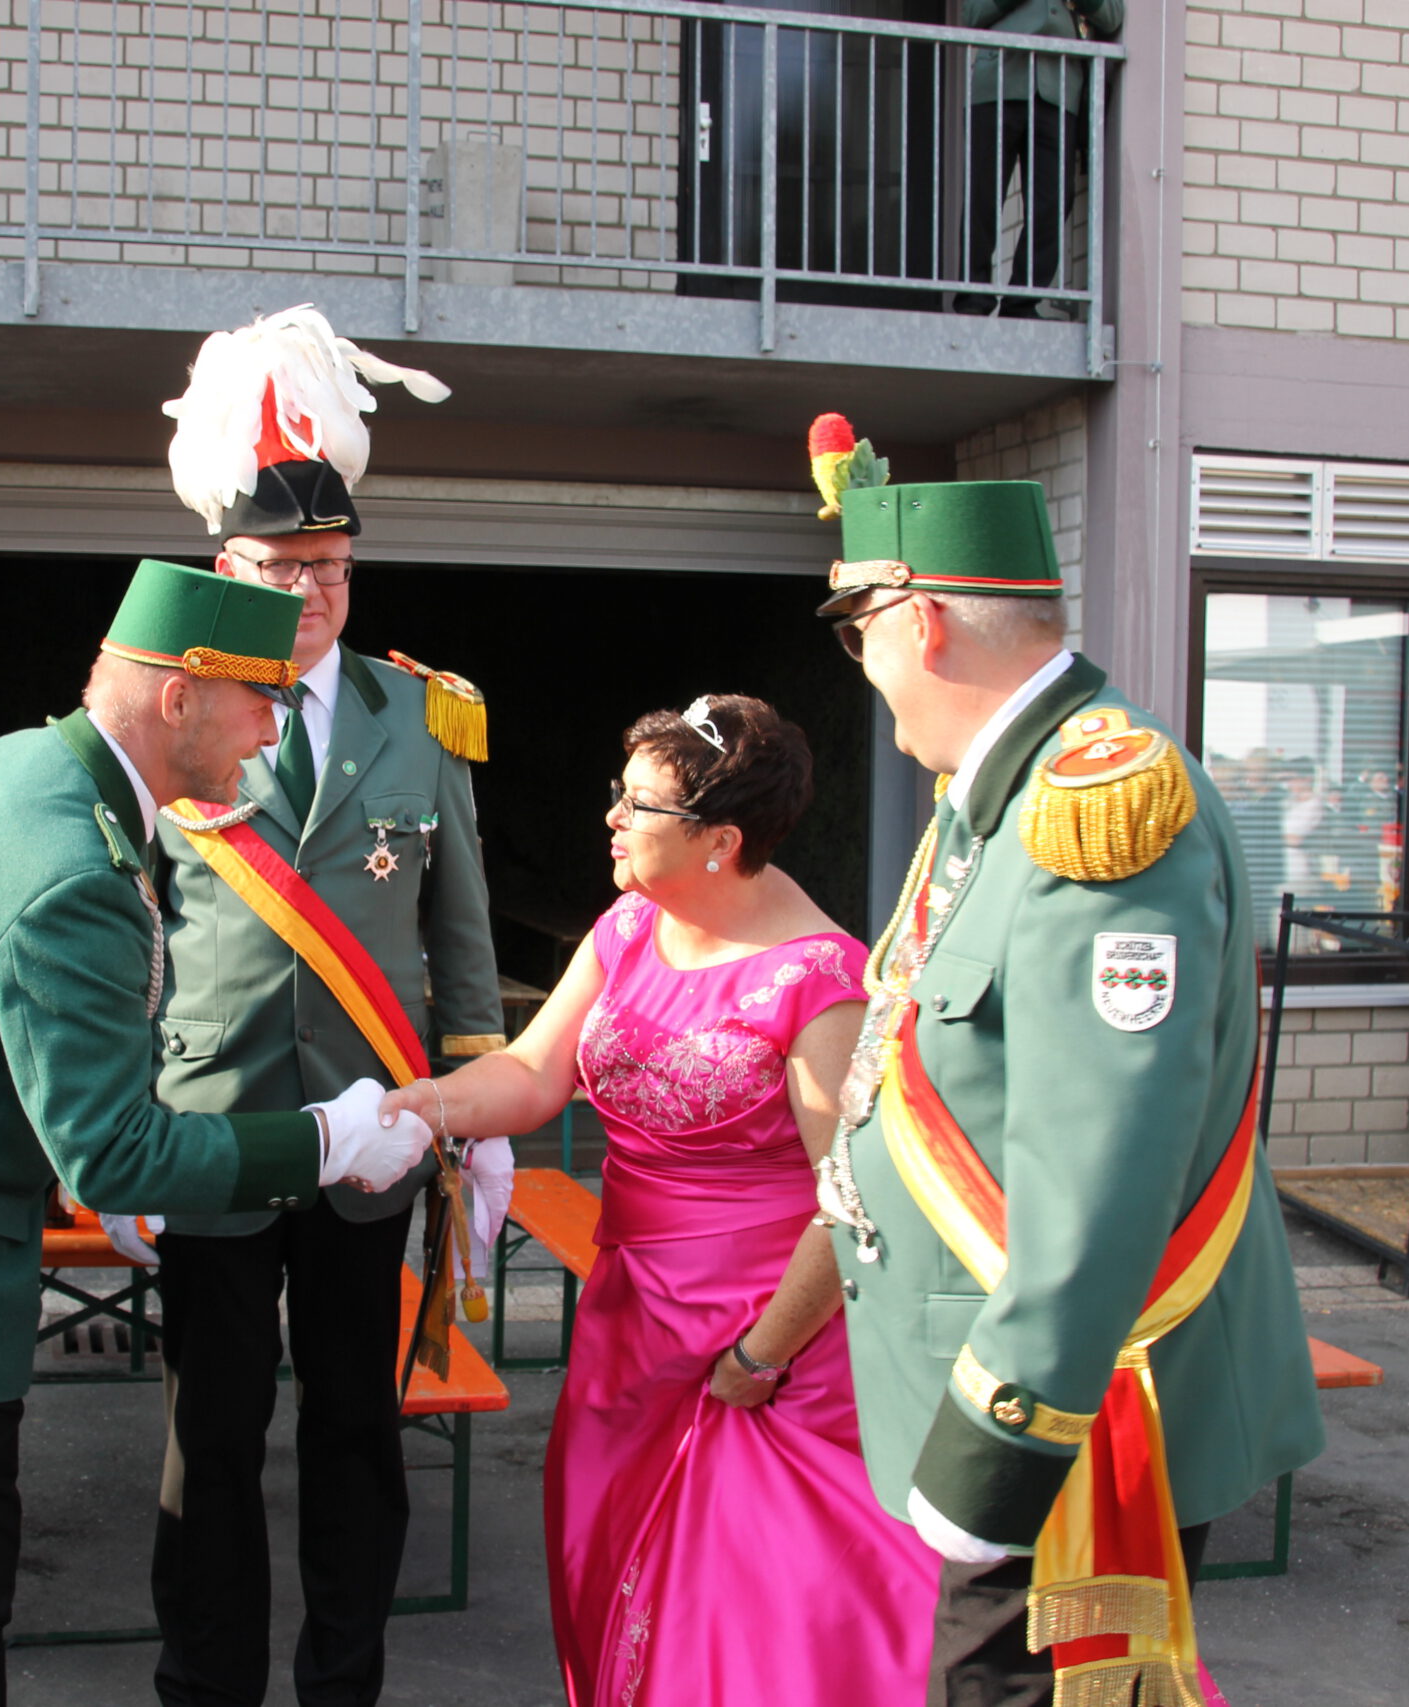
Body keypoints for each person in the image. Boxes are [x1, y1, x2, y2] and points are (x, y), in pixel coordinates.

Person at [0, 558, 436, 1707]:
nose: (268, 733)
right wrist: (326, 1141)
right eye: (258, 701)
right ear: (179, 696)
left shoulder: (31, 771)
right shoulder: (73, 867)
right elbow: (110, 1155)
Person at [806, 428, 1324, 1706]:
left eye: (858, 634)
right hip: (1024, 1379)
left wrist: (1002, 1443)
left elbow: (1103, 1164)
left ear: (919, 623)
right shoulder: (1000, 795)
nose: (864, 670)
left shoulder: (1094, 809)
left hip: (1067, 1416)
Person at [377, 694, 940, 1705]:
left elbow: (851, 1200)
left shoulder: (822, 982)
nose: (612, 819)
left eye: (639, 805)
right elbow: (535, 1073)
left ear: (722, 841)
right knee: (605, 1569)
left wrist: (761, 1357)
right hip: (630, 1323)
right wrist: (426, 1105)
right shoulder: (631, 923)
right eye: (619, 793)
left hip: (762, 1343)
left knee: (733, 1628)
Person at [132, 308, 506, 1707]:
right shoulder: (176, 713)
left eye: (333, 567)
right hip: (214, 1130)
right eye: (285, 566)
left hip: (375, 1134)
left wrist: (479, 1115)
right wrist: (117, 1122)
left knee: (358, 1433)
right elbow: (129, 930)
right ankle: (205, 1685)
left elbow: (460, 936)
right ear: (226, 570)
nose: (312, 590)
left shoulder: (424, 715)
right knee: (211, 1442)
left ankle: (342, 1683)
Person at [956, 0, 1124, 319]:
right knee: (983, 197)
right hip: (998, 82)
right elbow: (972, 13)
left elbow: (1113, 16)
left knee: (1053, 202)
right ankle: (972, 299)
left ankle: (1022, 302)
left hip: (1059, 91)